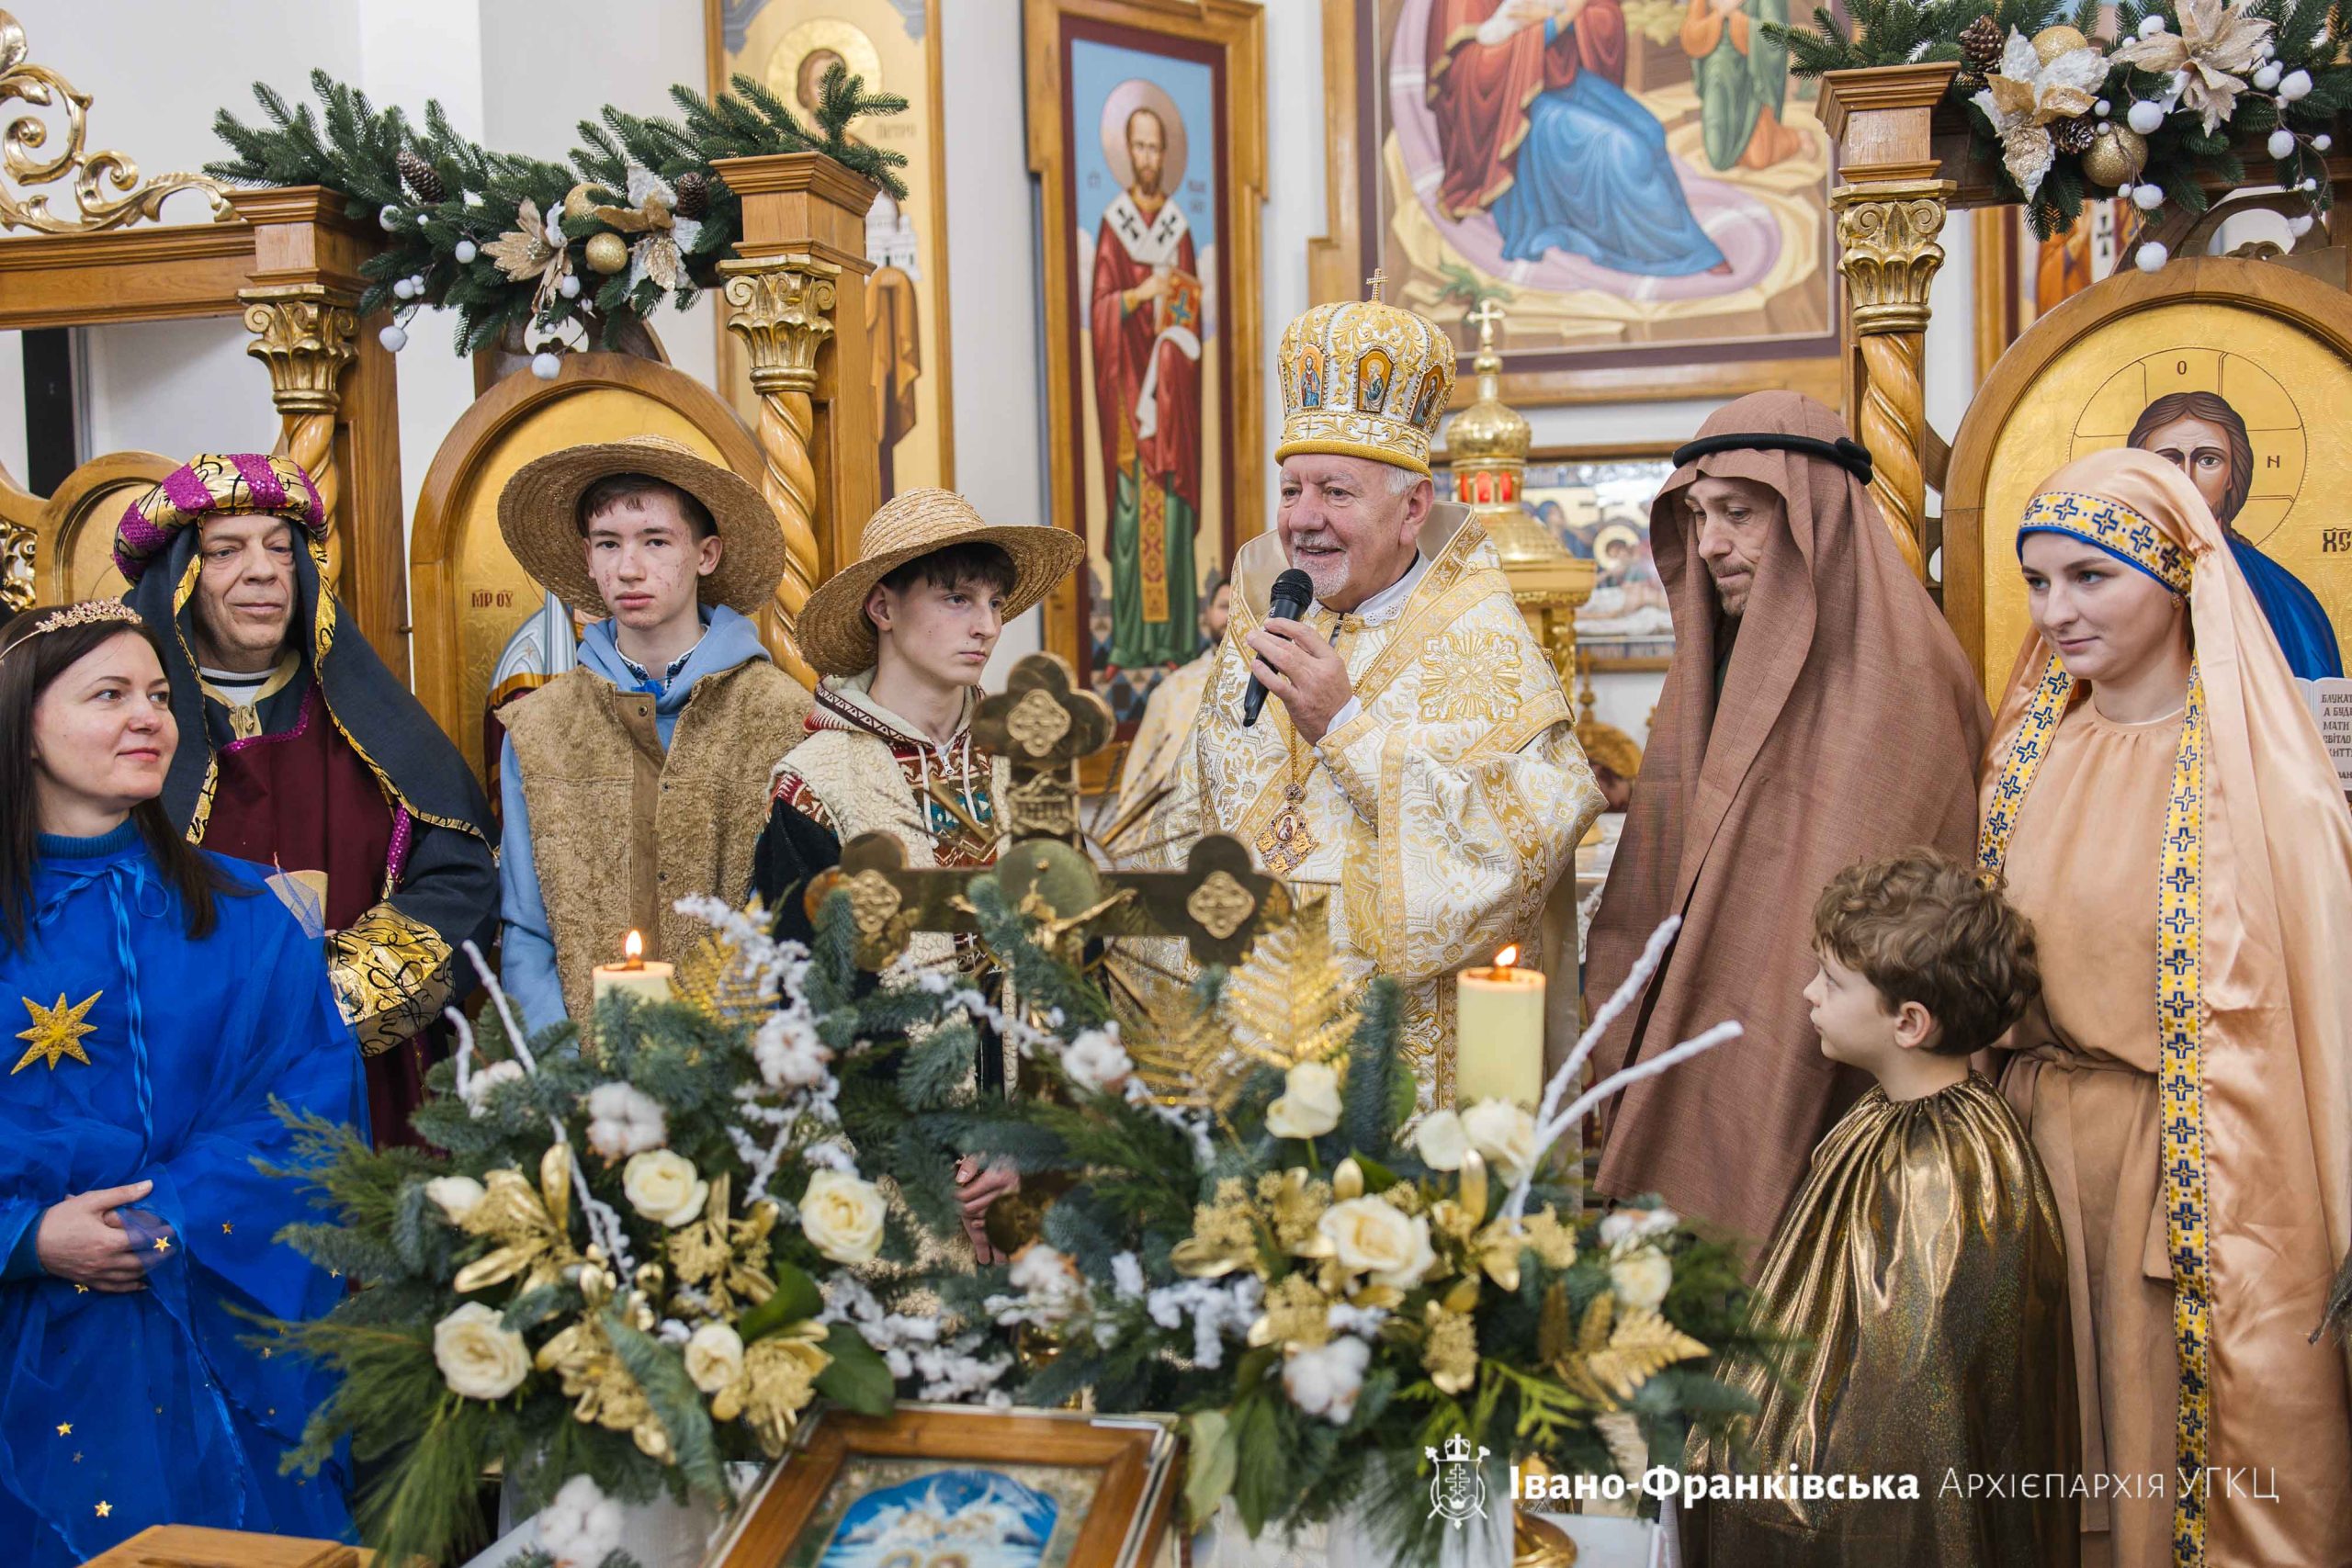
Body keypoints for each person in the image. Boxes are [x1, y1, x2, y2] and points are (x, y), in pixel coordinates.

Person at [1980, 447, 2352, 1566]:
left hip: (2197, 1168)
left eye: (2090, 577)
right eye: (2038, 582)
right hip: (2037, 1157)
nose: (2056, 611)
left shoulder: (2264, 778)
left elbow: (2323, 1018)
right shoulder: (2025, 757)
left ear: (2175, 574)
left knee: (2179, 1465)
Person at [1169, 283, 1601, 1112]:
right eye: (1291, 490)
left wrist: (1348, 729)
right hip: (1256, 1047)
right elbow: (1193, 823)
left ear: (1412, 508)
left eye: (1336, 492)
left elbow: (1529, 841)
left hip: (1412, 1068)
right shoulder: (1263, 619)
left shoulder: (1481, 640)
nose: (1303, 519)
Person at [0, 601, 363, 1564]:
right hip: (25, 1352)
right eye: (109, 695)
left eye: (160, 696)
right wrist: (28, 1238)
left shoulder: (251, 910)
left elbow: (308, 1108)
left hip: (221, 1328)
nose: (147, 718)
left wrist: (168, 1213)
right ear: (23, 727)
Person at [1584, 394, 1989, 1250]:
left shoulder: (1903, 676)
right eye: (1699, 516)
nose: (1710, 544)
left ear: (1816, 519)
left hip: (1827, 1056)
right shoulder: (1718, 661)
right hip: (1713, 1032)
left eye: (1739, 513)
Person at [1688, 851, 2075, 1566]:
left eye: (1832, 981)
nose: (1808, 992)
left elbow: (1903, 1410)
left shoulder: (1940, 1180)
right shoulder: (1888, 1119)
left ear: (1909, 1022)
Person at [113, 454, 496, 1148]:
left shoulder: (371, 722)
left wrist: (333, 996)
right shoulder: (128, 739)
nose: (262, 571)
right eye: (225, 551)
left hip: (369, 1080)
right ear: (178, 577)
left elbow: (462, 879)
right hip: (188, 1083)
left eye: (280, 548)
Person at [753, 489, 1081, 1266]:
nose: (986, 626)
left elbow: (1071, 965)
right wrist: (942, 1164)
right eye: (956, 598)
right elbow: (815, 1007)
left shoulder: (1024, 768)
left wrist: (1032, 1140)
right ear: (882, 608)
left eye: (995, 603)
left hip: (1036, 1168)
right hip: (894, 1185)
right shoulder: (815, 784)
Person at [495, 436, 812, 1034]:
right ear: (588, 558)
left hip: (739, 1065)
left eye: (656, 541)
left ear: (706, 554)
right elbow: (527, 927)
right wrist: (561, 1067)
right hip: (582, 1071)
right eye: (609, 543)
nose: (629, 568)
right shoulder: (539, 727)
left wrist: (717, 1059)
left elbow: (784, 916)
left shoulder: (781, 719)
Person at [1424, 0, 1729, 276]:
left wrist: (1569, 15)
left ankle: (1670, 236)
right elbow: (1468, 69)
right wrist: (1554, 22)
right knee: (1620, 149)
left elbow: (1603, 14)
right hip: (1511, 109)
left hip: (1561, 78)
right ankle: (1679, 252)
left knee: (1648, 129)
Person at [1090, 97, 1203, 670]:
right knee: (1133, 510)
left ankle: (1176, 642)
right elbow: (1101, 309)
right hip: (1127, 393)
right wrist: (1139, 295)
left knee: (1171, 512)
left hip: (1169, 393)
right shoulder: (1115, 225)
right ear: (1127, 152)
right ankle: (1131, 642)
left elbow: (1191, 317)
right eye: (1139, 146)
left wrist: (1173, 324)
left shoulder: (1179, 228)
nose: (1148, 157)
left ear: (1165, 154)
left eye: (1156, 147)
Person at [2128, 390, 2341, 680]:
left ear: (2232, 476)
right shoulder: (2106, 577)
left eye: (2208, 460)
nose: (2187, 477)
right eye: (2168, 460)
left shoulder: (2282, 594)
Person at [1111, 573, 1231, 835]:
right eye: (1224, 606)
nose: (1232, 616)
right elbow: (1140, 773)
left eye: (1240, 607)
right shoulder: (1172, 690)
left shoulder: (1279, 684)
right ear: (1208, 613)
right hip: (1180, 835)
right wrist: (1127, 844)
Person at [1680, 0, 1807, 171]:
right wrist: (1719, 14)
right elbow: (1691, 36)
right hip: (1717, 74)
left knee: (1758, 159)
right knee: (1717, 157)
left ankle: (1794, 138)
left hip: (1752, 76)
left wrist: (1735, 16)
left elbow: (1775, 36)